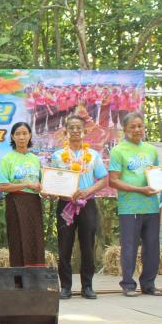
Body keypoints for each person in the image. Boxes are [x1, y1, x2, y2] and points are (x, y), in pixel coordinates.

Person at [50, 114, 108, 300]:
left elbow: (104, 179)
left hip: (87, 203)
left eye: (78, 128)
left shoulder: (93, 155)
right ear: (65, 132)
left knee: (87, 245)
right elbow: (52, 181)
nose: (75, 131)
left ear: (84, 132)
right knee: (64, 246)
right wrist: (55, 191)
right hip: (65, 204)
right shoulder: (57, 156)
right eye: (71, 128)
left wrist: (88, 190)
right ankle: (65, 287)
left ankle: (87, 286)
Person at [108, 112, 162, 297]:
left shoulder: (151, 150)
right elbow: (113, 180)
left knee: (152, 246)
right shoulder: (118, 151)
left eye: (140, 126)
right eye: (132, 127)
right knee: (129, 246)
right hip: (129, 207)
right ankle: (128, 284)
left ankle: (149, 284)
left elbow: (157, 175)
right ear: (125, 129)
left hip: (151, 206)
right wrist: (139, 190)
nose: (137, 129)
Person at [0, 122, 45, 267]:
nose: (21, 137)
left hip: (34, 203)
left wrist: (44, 189)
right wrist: (27, 185)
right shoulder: (7, 159)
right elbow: (2, 186)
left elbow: (42, 184)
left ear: (30, 135)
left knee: (35, 238)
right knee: (17, 238)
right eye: (17, 134)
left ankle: (36, 275)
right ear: (12, 137)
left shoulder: (35, 159)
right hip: (15, 202)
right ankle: (18, 276)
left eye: (24, 133)